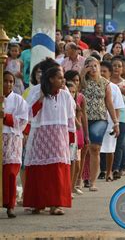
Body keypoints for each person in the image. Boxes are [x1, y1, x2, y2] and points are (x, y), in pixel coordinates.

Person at [23, 66, 76, 215]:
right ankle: (38, 203)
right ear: (51, 79)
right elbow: (28, 113)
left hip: (59, 138)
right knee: (39, 171)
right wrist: (40, 99)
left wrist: (71, 136)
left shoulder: (65, 95)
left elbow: (71, 116)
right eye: (60, 78)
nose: (63, 80)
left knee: (57, 171)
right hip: (41, 137)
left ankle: (56, 204)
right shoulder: (37, 92)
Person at [81, 57, 119, 191]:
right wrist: (81, 74)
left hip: (99, 118)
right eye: (90, 66)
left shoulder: (105, 83)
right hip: (82, 118)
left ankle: (93, 182)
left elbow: (109, 103)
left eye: (95, 65)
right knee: (82, 149)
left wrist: (115, 122)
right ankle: (78, 180)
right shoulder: (81, 81)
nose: (93, 68)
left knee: (95, 148)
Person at [2, 71, 28, 218]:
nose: (8, 84)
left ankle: (10, 205)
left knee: (11, 174)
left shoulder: (19, 100)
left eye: (11, 81)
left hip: (11, 142)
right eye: (5, 81)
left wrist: (6, 117)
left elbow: (23, 122)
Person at [100, 60, 125, 182]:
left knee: (110, 148)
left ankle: (109, 171)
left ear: (110, 73)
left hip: (110, 121)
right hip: (96, 121)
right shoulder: (91, 85)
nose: (101, 73)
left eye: (104, 71)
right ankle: (100, 171)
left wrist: (115, 123)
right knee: (96, 148)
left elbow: (117, 107)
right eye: (100, 71)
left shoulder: (114, 88)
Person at [64, 70, 88, 196]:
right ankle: (67, 187)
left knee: (76, 163)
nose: (72, 94)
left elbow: (82, 119)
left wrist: (86, 134)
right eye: (70, 91)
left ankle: (72, 186)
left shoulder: (80, 98)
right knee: (68, 162)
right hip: (66, 134)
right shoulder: (64, 100)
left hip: (77, 134)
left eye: (73, 92)